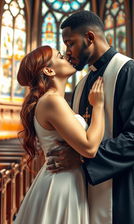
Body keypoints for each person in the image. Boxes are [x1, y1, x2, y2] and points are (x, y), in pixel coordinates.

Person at [47, 10, 134, 224]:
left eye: (70, 43)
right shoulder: (81, 84)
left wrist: (81, 158)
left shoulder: (129, 71)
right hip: (87, 186)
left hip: (124, 188)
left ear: (89, 38)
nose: (67, 52)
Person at [14, 45, 105, 224]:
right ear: (49, 70)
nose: (68, 57)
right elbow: (90, 147)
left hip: (65, 178)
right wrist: (99, 106)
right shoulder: (52, 101)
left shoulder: (54, 100)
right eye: (61, 56)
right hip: (62, 184)